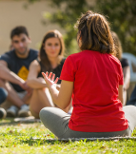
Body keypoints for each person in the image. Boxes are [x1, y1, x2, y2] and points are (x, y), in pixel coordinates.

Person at [39, 11, 136, 139]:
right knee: (132, 109)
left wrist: (51, 86)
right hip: (118, 130)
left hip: (79, 131)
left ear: (81, 35)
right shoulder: (116, 62)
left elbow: (62, 104)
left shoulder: (73, 60)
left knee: (45, 112)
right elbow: (121, 101)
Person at [0, 26, 38, 117]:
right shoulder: (8, 56)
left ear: (29, 39)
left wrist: (31, 84)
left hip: (31, 94)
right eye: (16, 42)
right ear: (12, 43)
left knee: (40, 81)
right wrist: (20, 82)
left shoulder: (37, 55)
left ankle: (16, 107)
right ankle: (22, 106)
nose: (20, 45)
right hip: (12, 94)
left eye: (23, 40)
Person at [27, 30, 67, 118]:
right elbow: (30, 81)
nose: (53, 48)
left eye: (56, 44)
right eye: (49, 44)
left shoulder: (67, 63)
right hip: (39, 107)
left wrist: (55, 86)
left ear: (61, 46)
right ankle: (55, 115)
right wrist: (50, 85)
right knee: (40, 81)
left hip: (61, 105)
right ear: (44, 46)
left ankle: (59, 114)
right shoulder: (36, 63)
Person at [112, 32, 130, 105]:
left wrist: (123, 87)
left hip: (121, 89)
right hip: (109, 90)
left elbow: (127, 77)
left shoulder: (123, 61)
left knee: (123, 90)